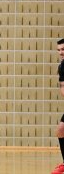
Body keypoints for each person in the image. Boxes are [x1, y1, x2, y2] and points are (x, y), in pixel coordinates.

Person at [51, 38, 64, 174]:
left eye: (63, 49)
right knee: (61, 130)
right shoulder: (62, 67)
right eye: (59, 50)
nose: (61, 52)